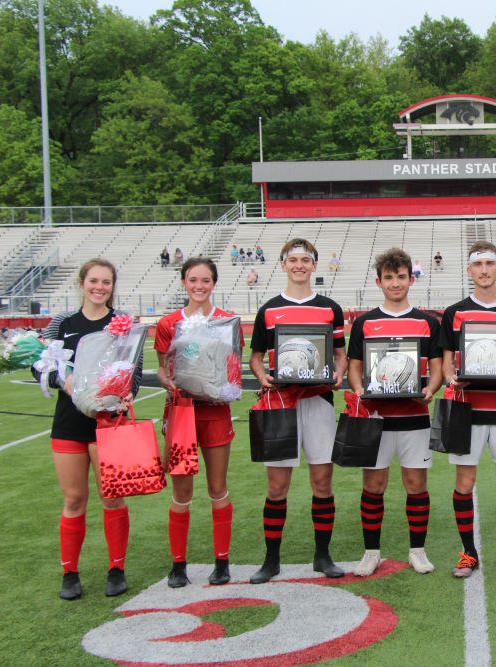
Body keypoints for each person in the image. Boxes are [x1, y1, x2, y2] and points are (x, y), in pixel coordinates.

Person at [34, 259, 141, 600]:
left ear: (112, 286)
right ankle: (70, 572)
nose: (99, 287)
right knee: (74, 498)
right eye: (93, 280)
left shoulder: (122, 323)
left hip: (107, 422)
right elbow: (44, 365)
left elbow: (133, 372)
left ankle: (116, 568)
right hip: (68, 422)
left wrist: (124, 394)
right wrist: (64, 383)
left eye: (106, 282)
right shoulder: (61, 323)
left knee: (112, 497)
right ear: (82, 283)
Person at [248, 239, 348, 584]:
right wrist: (263, 378)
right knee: (277, 486)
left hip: (318, 401)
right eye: (293, 259)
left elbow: (339, 354)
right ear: (282, 264)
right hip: (281, 404)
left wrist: (339, 373)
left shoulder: (330, 308)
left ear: (314, 265)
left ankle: (323, 556)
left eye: (306, 259)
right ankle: (271, 559)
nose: (299, 265)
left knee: (322, 481)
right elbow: (256, 357)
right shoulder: (269, 310)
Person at [347, 248, 443, 577]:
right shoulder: (365, 322)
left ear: (410, 279)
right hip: (376, 418)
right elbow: (355, 368)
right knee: (374, 485)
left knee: (416, 484)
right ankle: (371, 552)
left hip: (414, 417)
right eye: (389, 277)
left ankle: (417, 550)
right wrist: (361, 390)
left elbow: (437, 367)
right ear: (379, 281)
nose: (395, 282)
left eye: (401, 276)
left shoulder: (428, 322)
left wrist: (430, 389)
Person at [440, 241, 496, 578]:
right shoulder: (454, 312)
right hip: (467, 409)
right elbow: (448, 364)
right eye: (477, 265)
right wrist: (452, 379)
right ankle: (468, 552)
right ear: (469, 271)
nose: (483, 270)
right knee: (464, 481)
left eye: (489, 264)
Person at [154, 258, 240, 588]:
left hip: (215, 414)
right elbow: (163, 368)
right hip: (182, 413)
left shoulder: (226, 322)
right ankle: (179, 564)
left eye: (205, 280)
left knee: (217, 488)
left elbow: (233, 368)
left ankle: (222, 561)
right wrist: (170, 383)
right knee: (182, 491)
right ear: (183, 282)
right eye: (193, 280)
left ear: (214, 283)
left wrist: (225, 389)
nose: (199, 286)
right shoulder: (168, 323)